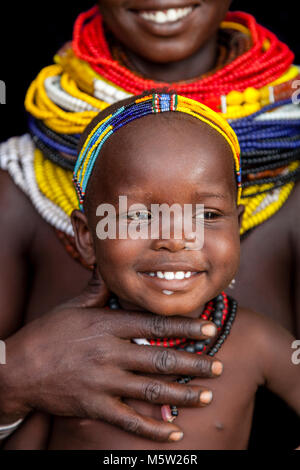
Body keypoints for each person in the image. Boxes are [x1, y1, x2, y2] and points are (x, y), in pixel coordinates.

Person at [0, 1, 299, 446]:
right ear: (86, 234)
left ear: (236, 217)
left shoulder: (260, 335)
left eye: (208, 214)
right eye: (138, 216)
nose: (175, 238)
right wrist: (14, 378)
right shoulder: (18, 187)